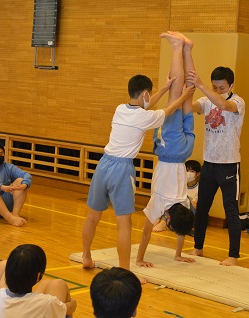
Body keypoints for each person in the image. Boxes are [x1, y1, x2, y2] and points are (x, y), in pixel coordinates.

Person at [81, 68, 195, 271]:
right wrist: (184, 96)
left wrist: (163, 89)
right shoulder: (146, 118)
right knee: (124, 224)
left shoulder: (120, 109)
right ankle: (125, 271)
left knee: (93, 216)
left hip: (103, 164)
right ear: (145, 94)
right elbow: (168, 111)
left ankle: (86, 256)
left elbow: (146, 107)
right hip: (122, 169)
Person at [136, 31, 196, 267]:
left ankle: (188, 50)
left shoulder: (183, 204)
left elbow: (182, 228)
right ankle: (177, 47)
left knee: (188, 97)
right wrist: (139, 259)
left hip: (185, 152)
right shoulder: (161, 204)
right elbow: (145, 233)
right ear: (167, 217)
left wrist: (178, 254)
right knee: (177, 92)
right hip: (170, 150)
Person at [186, 66, 245, 266]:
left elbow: (224, 105)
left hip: (229, 164)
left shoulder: (237, 101)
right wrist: (184, 92)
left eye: (221, 87)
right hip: (210, 163)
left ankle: (233, 256)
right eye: (215, 87)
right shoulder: (206, 101)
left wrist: (201, 85)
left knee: (231, 210)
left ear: (231, 86)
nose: (218, 91)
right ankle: (198, 247)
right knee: (202, 207)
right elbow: (191, 107)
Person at [0, 244, 77, 318]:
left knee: (46, 283)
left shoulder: (1, 294)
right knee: (60, 285)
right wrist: (71, 300)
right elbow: (71, 307)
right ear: (38, 276)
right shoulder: (47, 302)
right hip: (53, 305)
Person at [152, 159, 201, 233]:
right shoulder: (181, 185)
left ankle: (164, 222)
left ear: (197, 174)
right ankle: (157, 219)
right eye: (186, 170)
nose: (188, 173)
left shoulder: (200, 187)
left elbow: (196, 205)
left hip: (190, 214)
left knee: (181, 197)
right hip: (179, 210)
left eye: (191, 171)